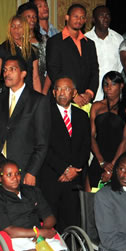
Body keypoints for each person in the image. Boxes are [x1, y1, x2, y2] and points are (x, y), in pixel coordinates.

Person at [0, 56, 49, 193]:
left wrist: (32, 172)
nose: (6, 74)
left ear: (23, 74)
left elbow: (42, 143)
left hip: (23, 170)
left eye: (12, 69)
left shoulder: (38, 101)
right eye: (4, 70)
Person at [39, 77, 90, 228]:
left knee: (72, 225)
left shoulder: (82, 116)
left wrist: (74, 170)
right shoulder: (44, 114)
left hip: (74, 180)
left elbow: (85, 147)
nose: (62, 93)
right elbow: (43, 146)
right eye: (59, 89)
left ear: (74, 93)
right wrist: (64, 169)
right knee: (52, 227)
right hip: (51, 178)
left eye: (66, 89)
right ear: (53, 92)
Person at [88, 72, 126, 188]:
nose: (108, 88)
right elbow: (91, 136)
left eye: (113, 84)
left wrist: (113, 166)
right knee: (90, 199)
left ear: (121, 86)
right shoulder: (96, 106)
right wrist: (101, 162)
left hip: (120, 160)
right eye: (106, 84)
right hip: (99, 159)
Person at [46, 4, 99, 108]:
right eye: (75, 16)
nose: (79, 20)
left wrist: (89, 93)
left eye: (82, 17)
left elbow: (94, 71)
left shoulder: (89, 44)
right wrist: (73, 95)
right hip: (63, 99)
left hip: (85, 100)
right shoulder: (55, 41)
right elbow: (53, 71)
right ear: (67, 17)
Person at [0, 16, 40, 95]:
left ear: (25, 28)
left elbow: (36, 78)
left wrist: (39, 101)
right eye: (13, 26)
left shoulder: (32, 50)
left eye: (20, 26)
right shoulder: (1, 49)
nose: (16, 29)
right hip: (8, 94)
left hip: (28, 95)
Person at [86, 6, 124, 101]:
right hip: (92, 93)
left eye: (108, 15)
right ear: (94, 19)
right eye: (101, 16)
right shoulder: (85, 39)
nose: (105, 18)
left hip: (113, 94)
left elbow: (120, 66)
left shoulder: (118, 39)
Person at [17, 1, 48, 91]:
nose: (32, 20)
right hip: (19, 85)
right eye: (28, 17)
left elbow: (51, 68)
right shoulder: (15, 41)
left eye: (34, 17)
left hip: (41, 85)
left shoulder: (44, 40)